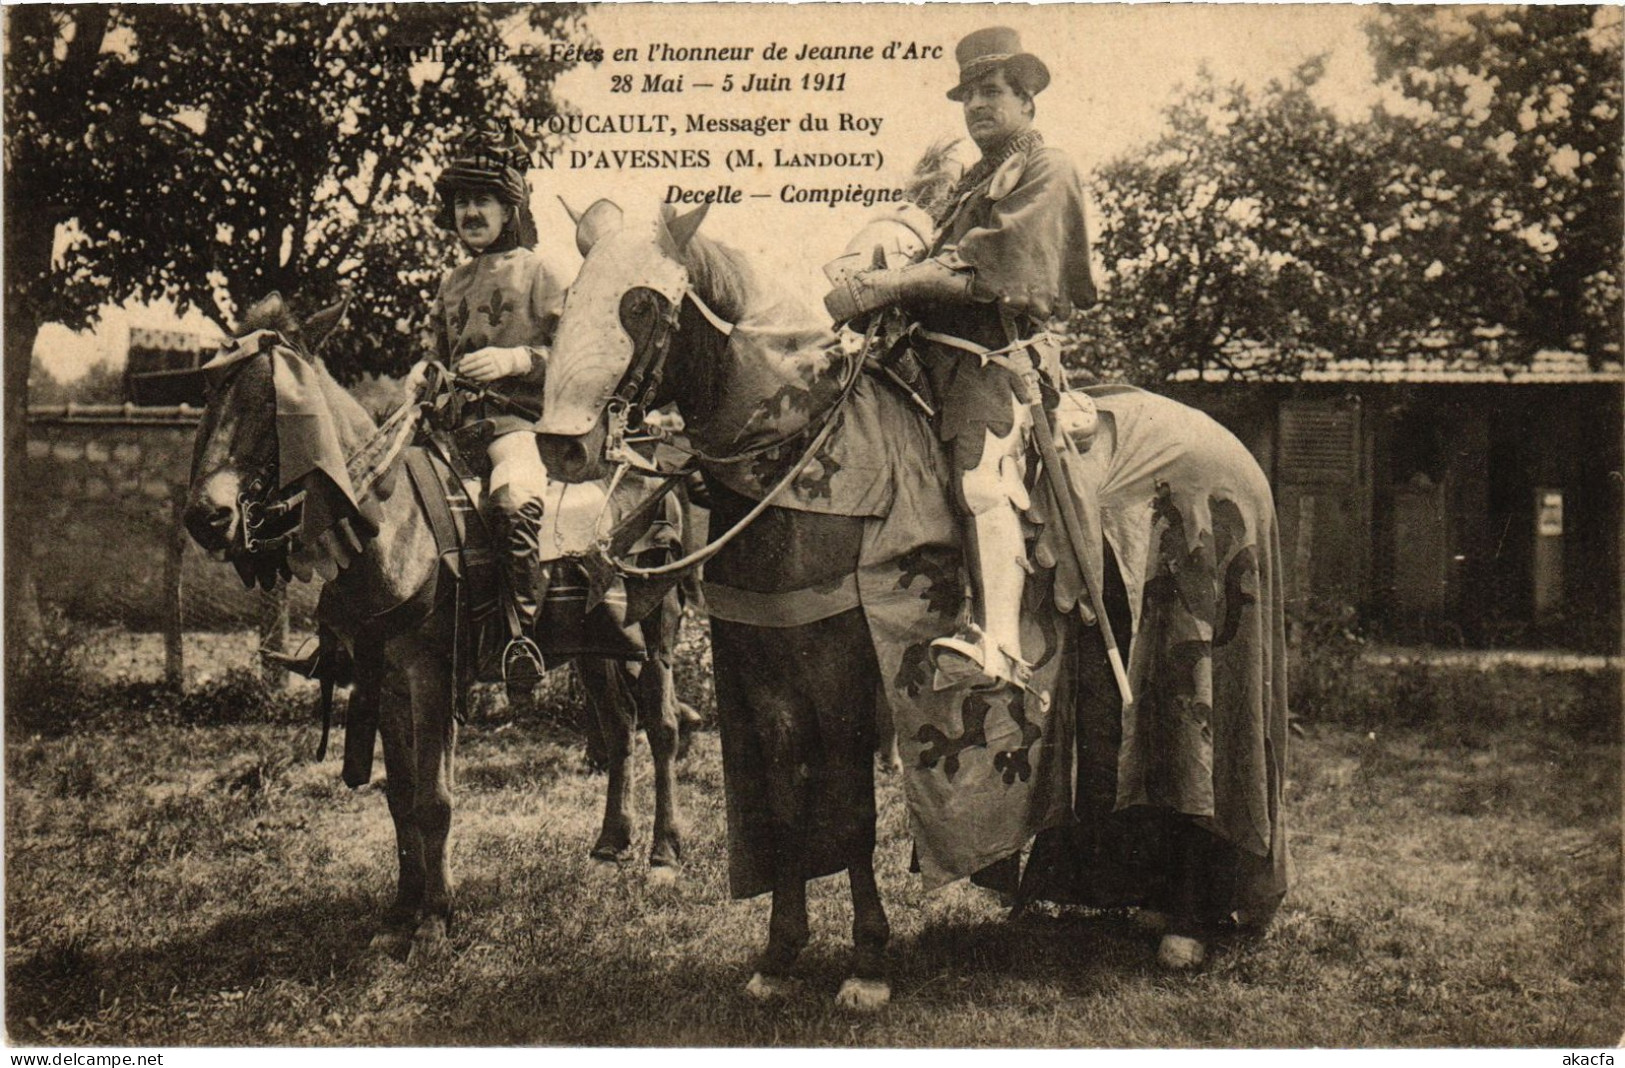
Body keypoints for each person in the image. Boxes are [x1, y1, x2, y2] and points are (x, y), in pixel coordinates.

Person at [824, 26, 1097, 691]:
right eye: (969, 93)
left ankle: (999, 642)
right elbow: (923, 255)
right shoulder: (968, 182)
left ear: (1027, 100)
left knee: (980, 481)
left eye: (994, 90)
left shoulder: (1045, 167)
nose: (978, 105)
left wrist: (888, 285)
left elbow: (986, 267)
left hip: (994, 356)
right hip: (928, 355)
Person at [411, 121, 566, 689]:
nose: (468, 213)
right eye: (460, 203)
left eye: (481, 201)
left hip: (515, 426)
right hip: (448, 431)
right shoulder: (451, 282)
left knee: (511, 500)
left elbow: (579, 357)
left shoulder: (541, 273)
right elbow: (435, 353)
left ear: (509, 210)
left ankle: (520, 641)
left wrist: (518, 360)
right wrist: (423, 370)